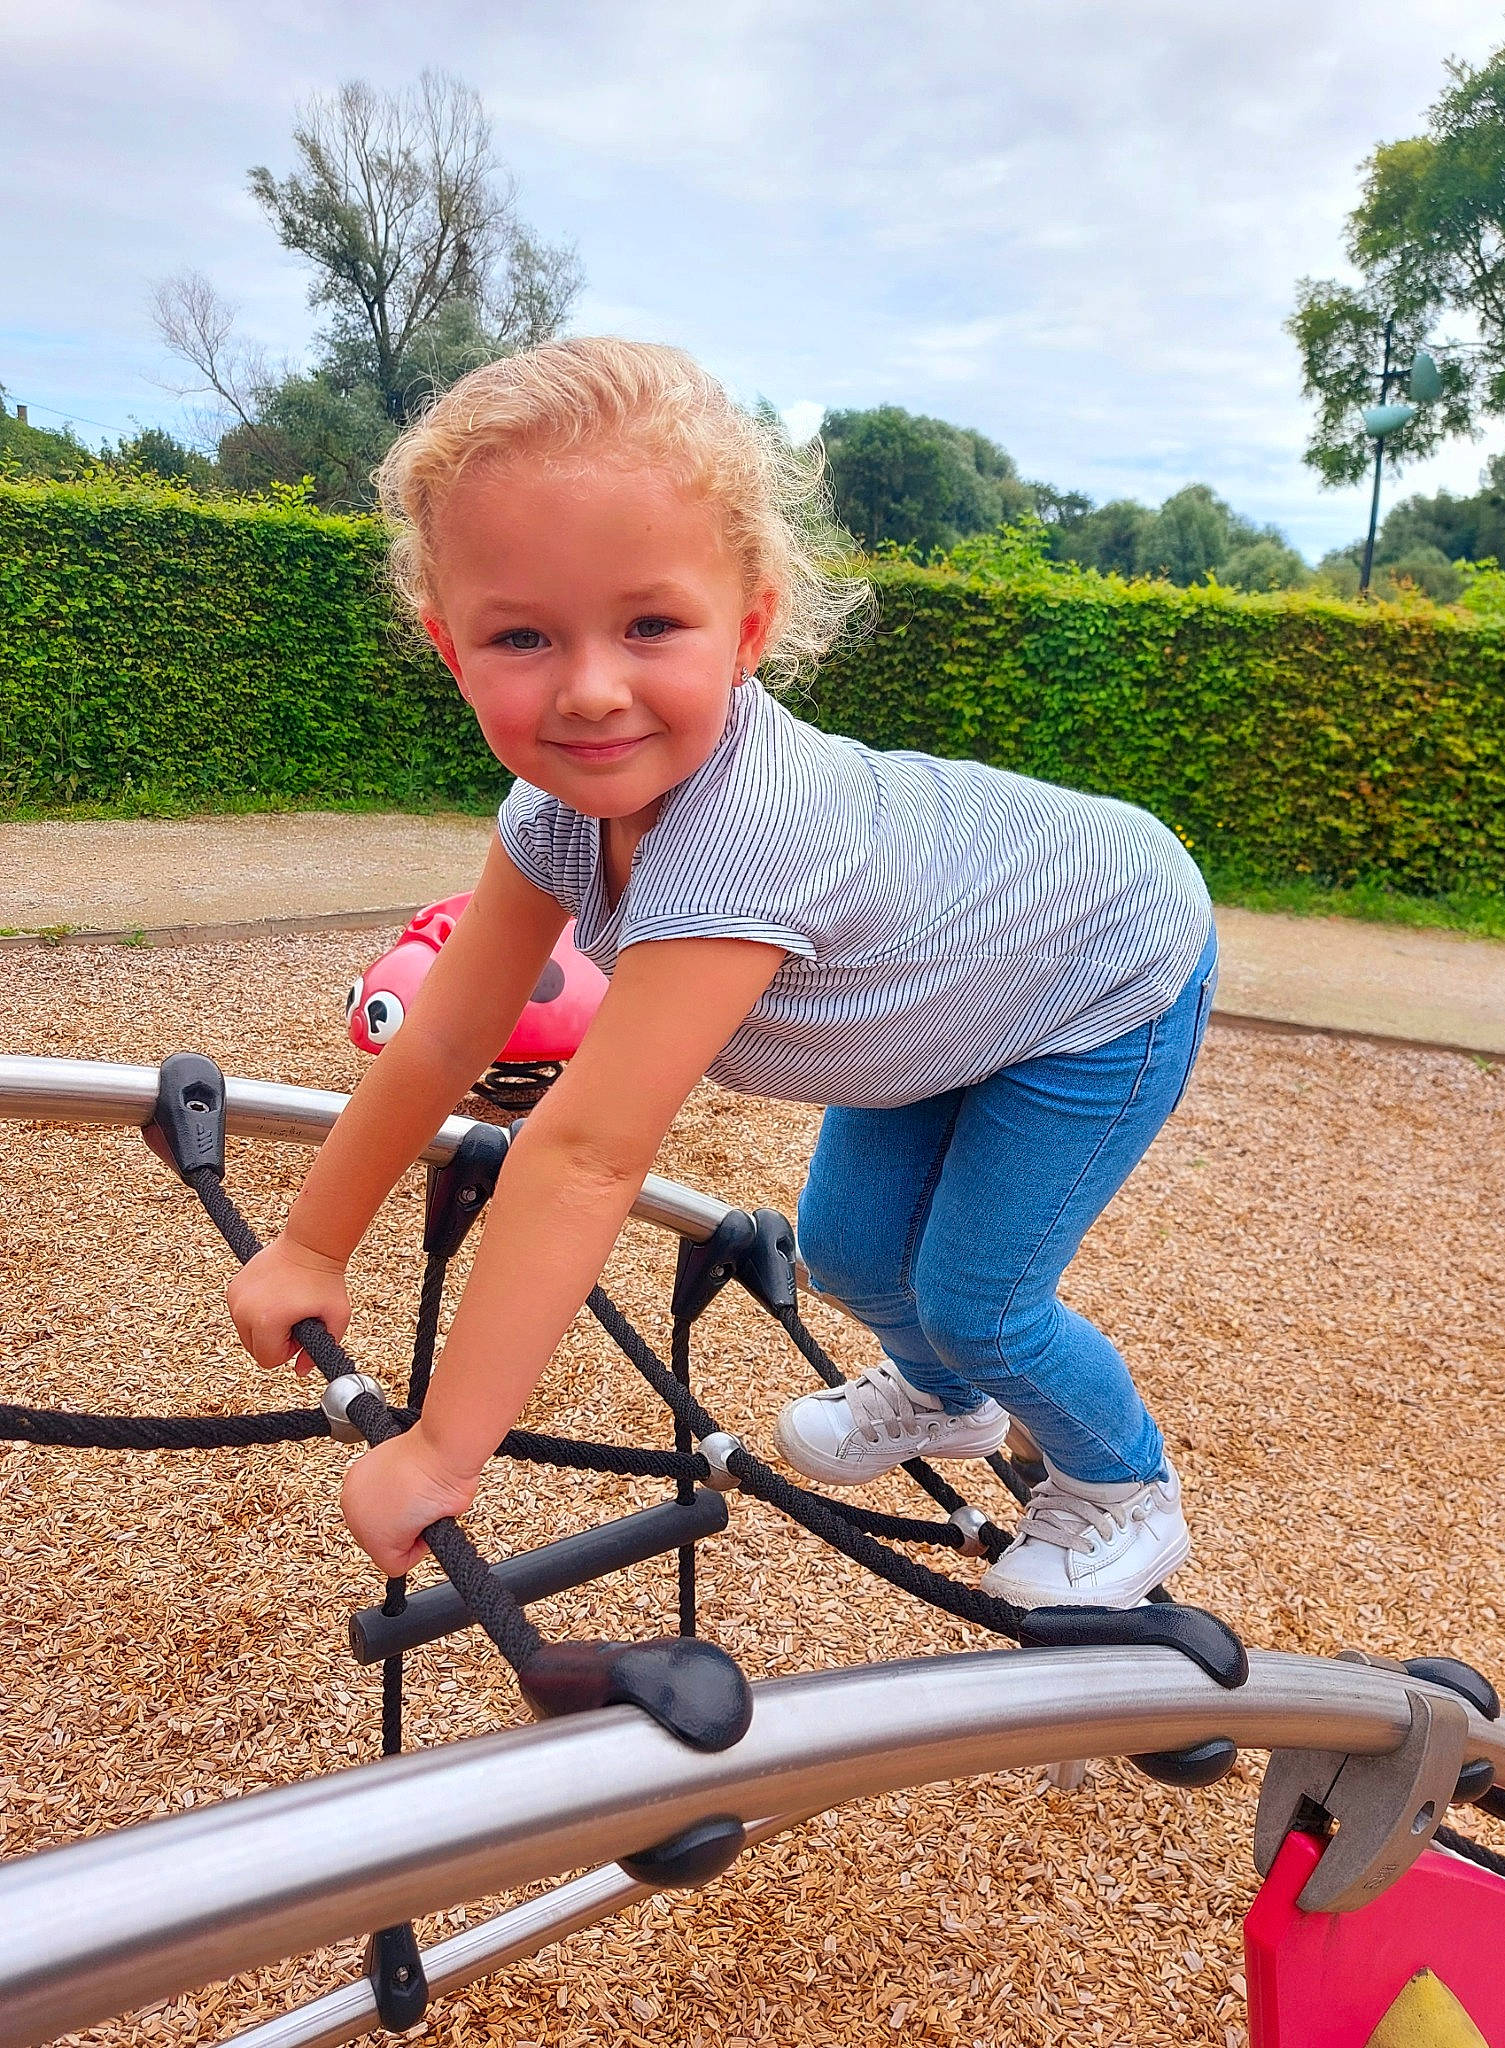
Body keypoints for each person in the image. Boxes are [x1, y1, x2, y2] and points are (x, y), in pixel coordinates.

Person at [226, 337, 1218, 1612]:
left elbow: (586, 1153)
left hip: (1099, 965)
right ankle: (943, 1398)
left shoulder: (747, 833)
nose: (593, 690)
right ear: (449, 647)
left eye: (650, 624)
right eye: (523, 634)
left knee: (980, 1297)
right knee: (851, 1251)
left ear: (748, 626)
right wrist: (310, 1244)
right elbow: (440, 1038)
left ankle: (1124, 1486)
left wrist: (441, 1450)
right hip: (948, 987)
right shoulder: (553, 815)